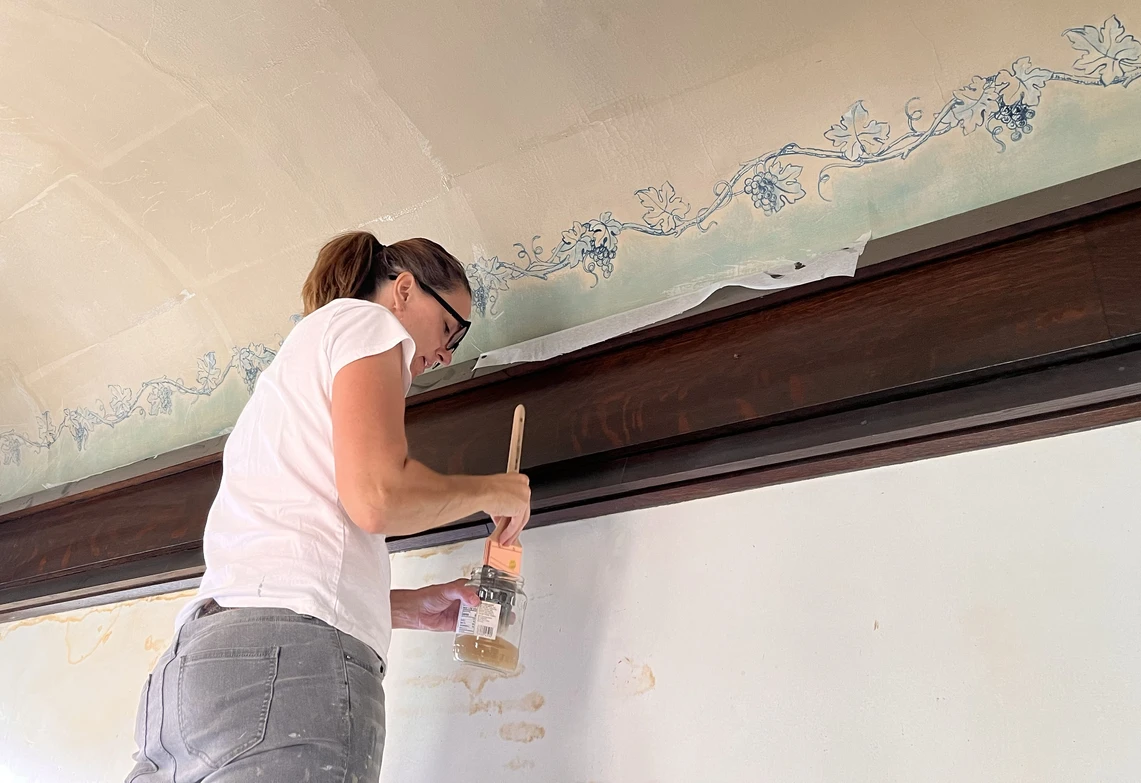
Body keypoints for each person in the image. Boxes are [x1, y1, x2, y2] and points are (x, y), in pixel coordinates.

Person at [125, 232, 532, 782]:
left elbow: (294, 568)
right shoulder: (369, 325)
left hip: (195, 675)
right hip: (286, 671)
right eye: (449, 330)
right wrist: (495, 491)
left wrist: (407, 605)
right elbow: (378, 497)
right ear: (404, 291)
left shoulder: (295, 368)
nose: (443, 356)